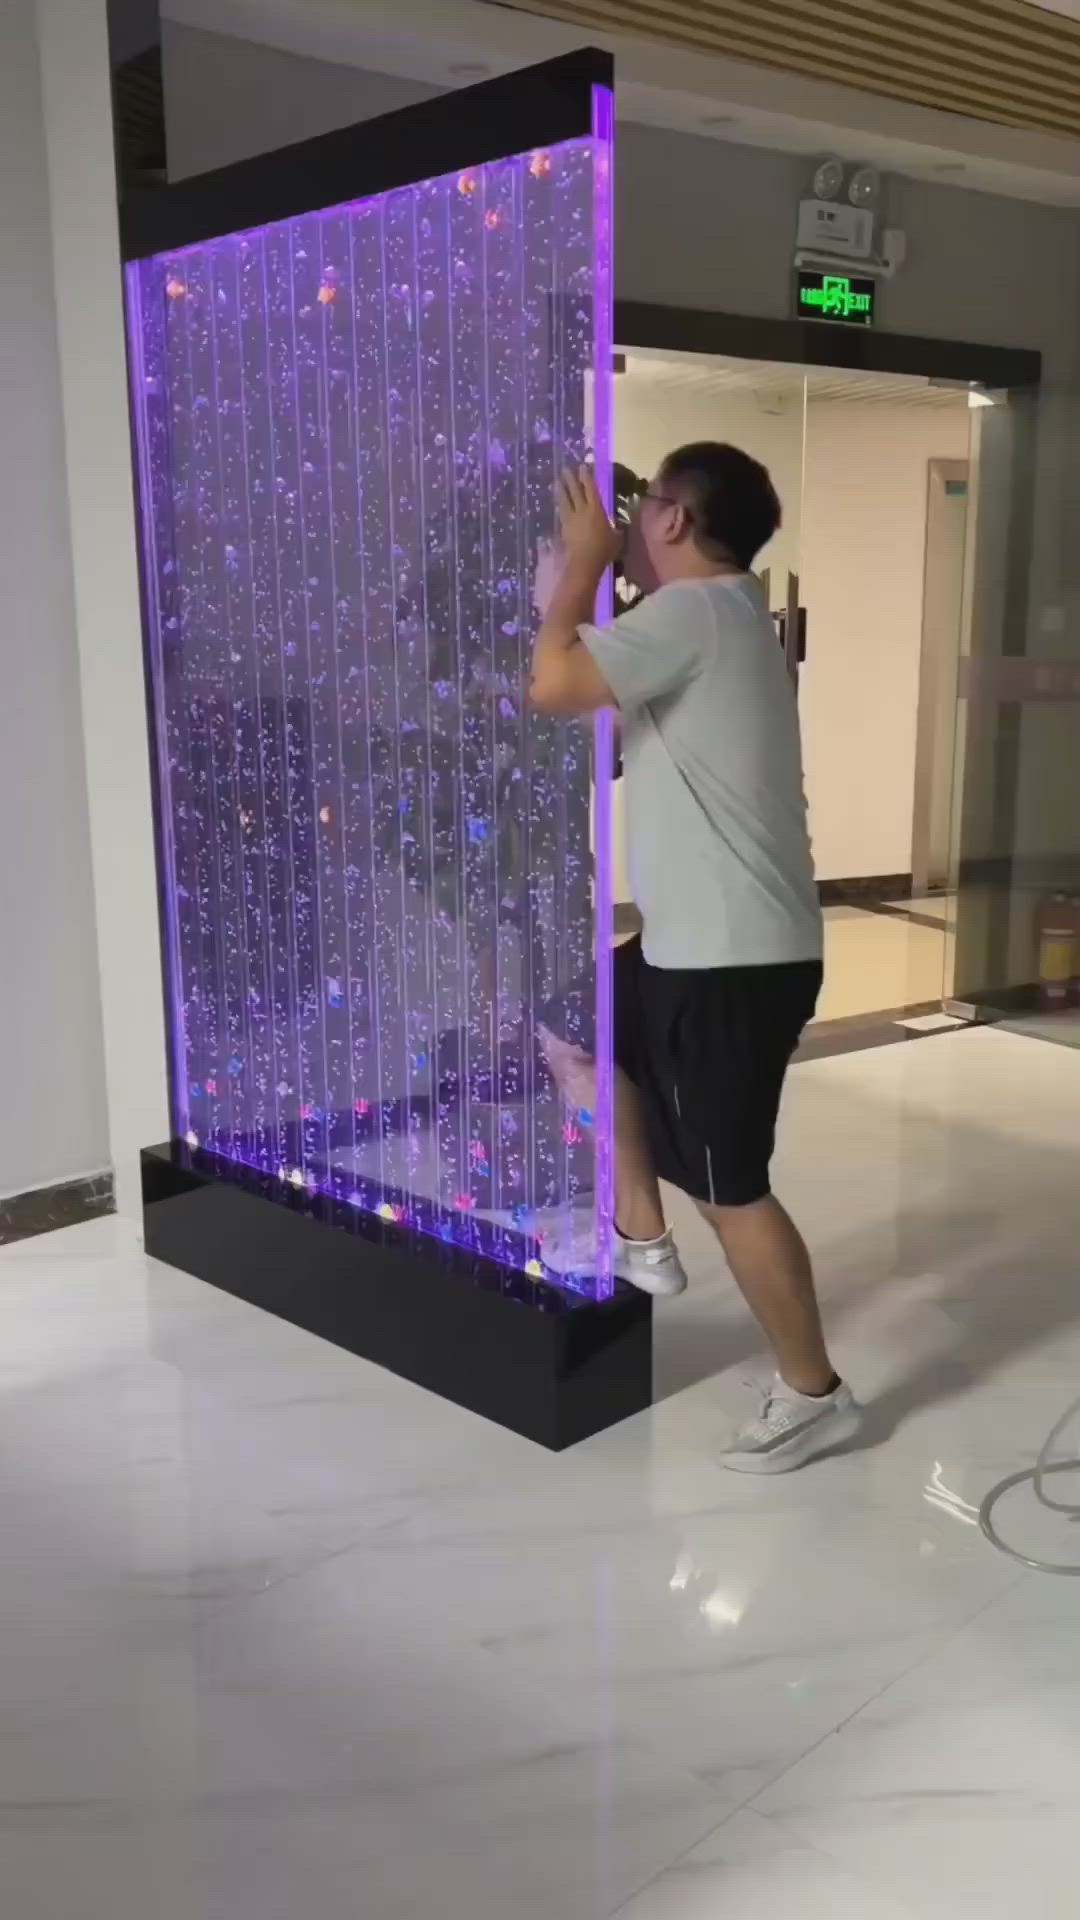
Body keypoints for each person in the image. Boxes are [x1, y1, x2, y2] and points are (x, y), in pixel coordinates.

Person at [529, 444, 861, 1472]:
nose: (624, 515)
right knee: (574, 1028)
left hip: (734, 963)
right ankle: (640, 1229)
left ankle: (815, 1394)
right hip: (697, 949)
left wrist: (574, 575)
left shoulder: (695, 614)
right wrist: (604, 592)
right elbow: (614, 734)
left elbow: (554, 687)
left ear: (675, 520)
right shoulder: (716, 620)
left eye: (641, 504)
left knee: (733, 1187)